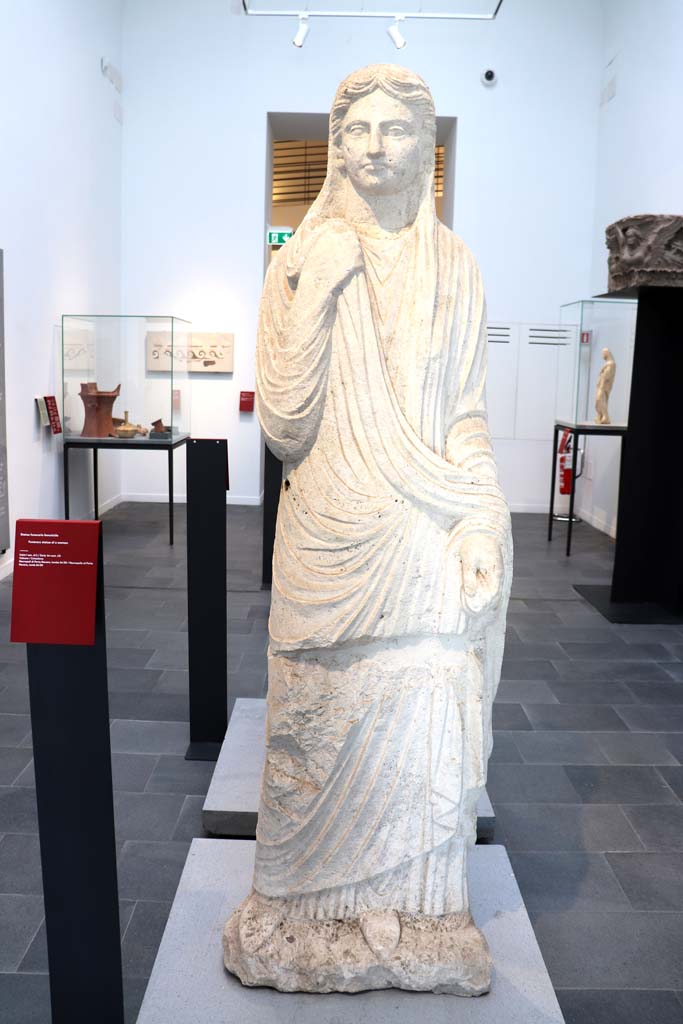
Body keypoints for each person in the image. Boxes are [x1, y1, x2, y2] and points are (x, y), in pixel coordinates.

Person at [224, 64, 512, 995]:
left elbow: (465, 418)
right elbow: (283, 427)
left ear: (426, 146)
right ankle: (295, 909)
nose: (376, 145)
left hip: (423, 526)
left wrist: (479, 521)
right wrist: (316, 291)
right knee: (312, 716)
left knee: (428, 700)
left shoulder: (455, 267)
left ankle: (420, 910)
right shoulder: (298, 261)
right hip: (327, 531)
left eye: (396, 129)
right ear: (335, 146)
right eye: (358, 130)